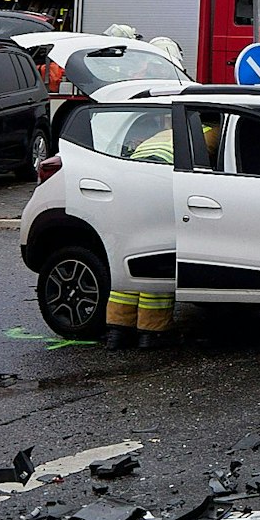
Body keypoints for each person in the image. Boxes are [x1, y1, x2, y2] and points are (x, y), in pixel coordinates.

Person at [104, 117, 177, 348]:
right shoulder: (211, 133)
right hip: (159, 185)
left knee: (129, 262)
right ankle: (151, 333)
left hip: (131, 187)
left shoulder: (164, 135)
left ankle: (117, 331)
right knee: (157, 261)